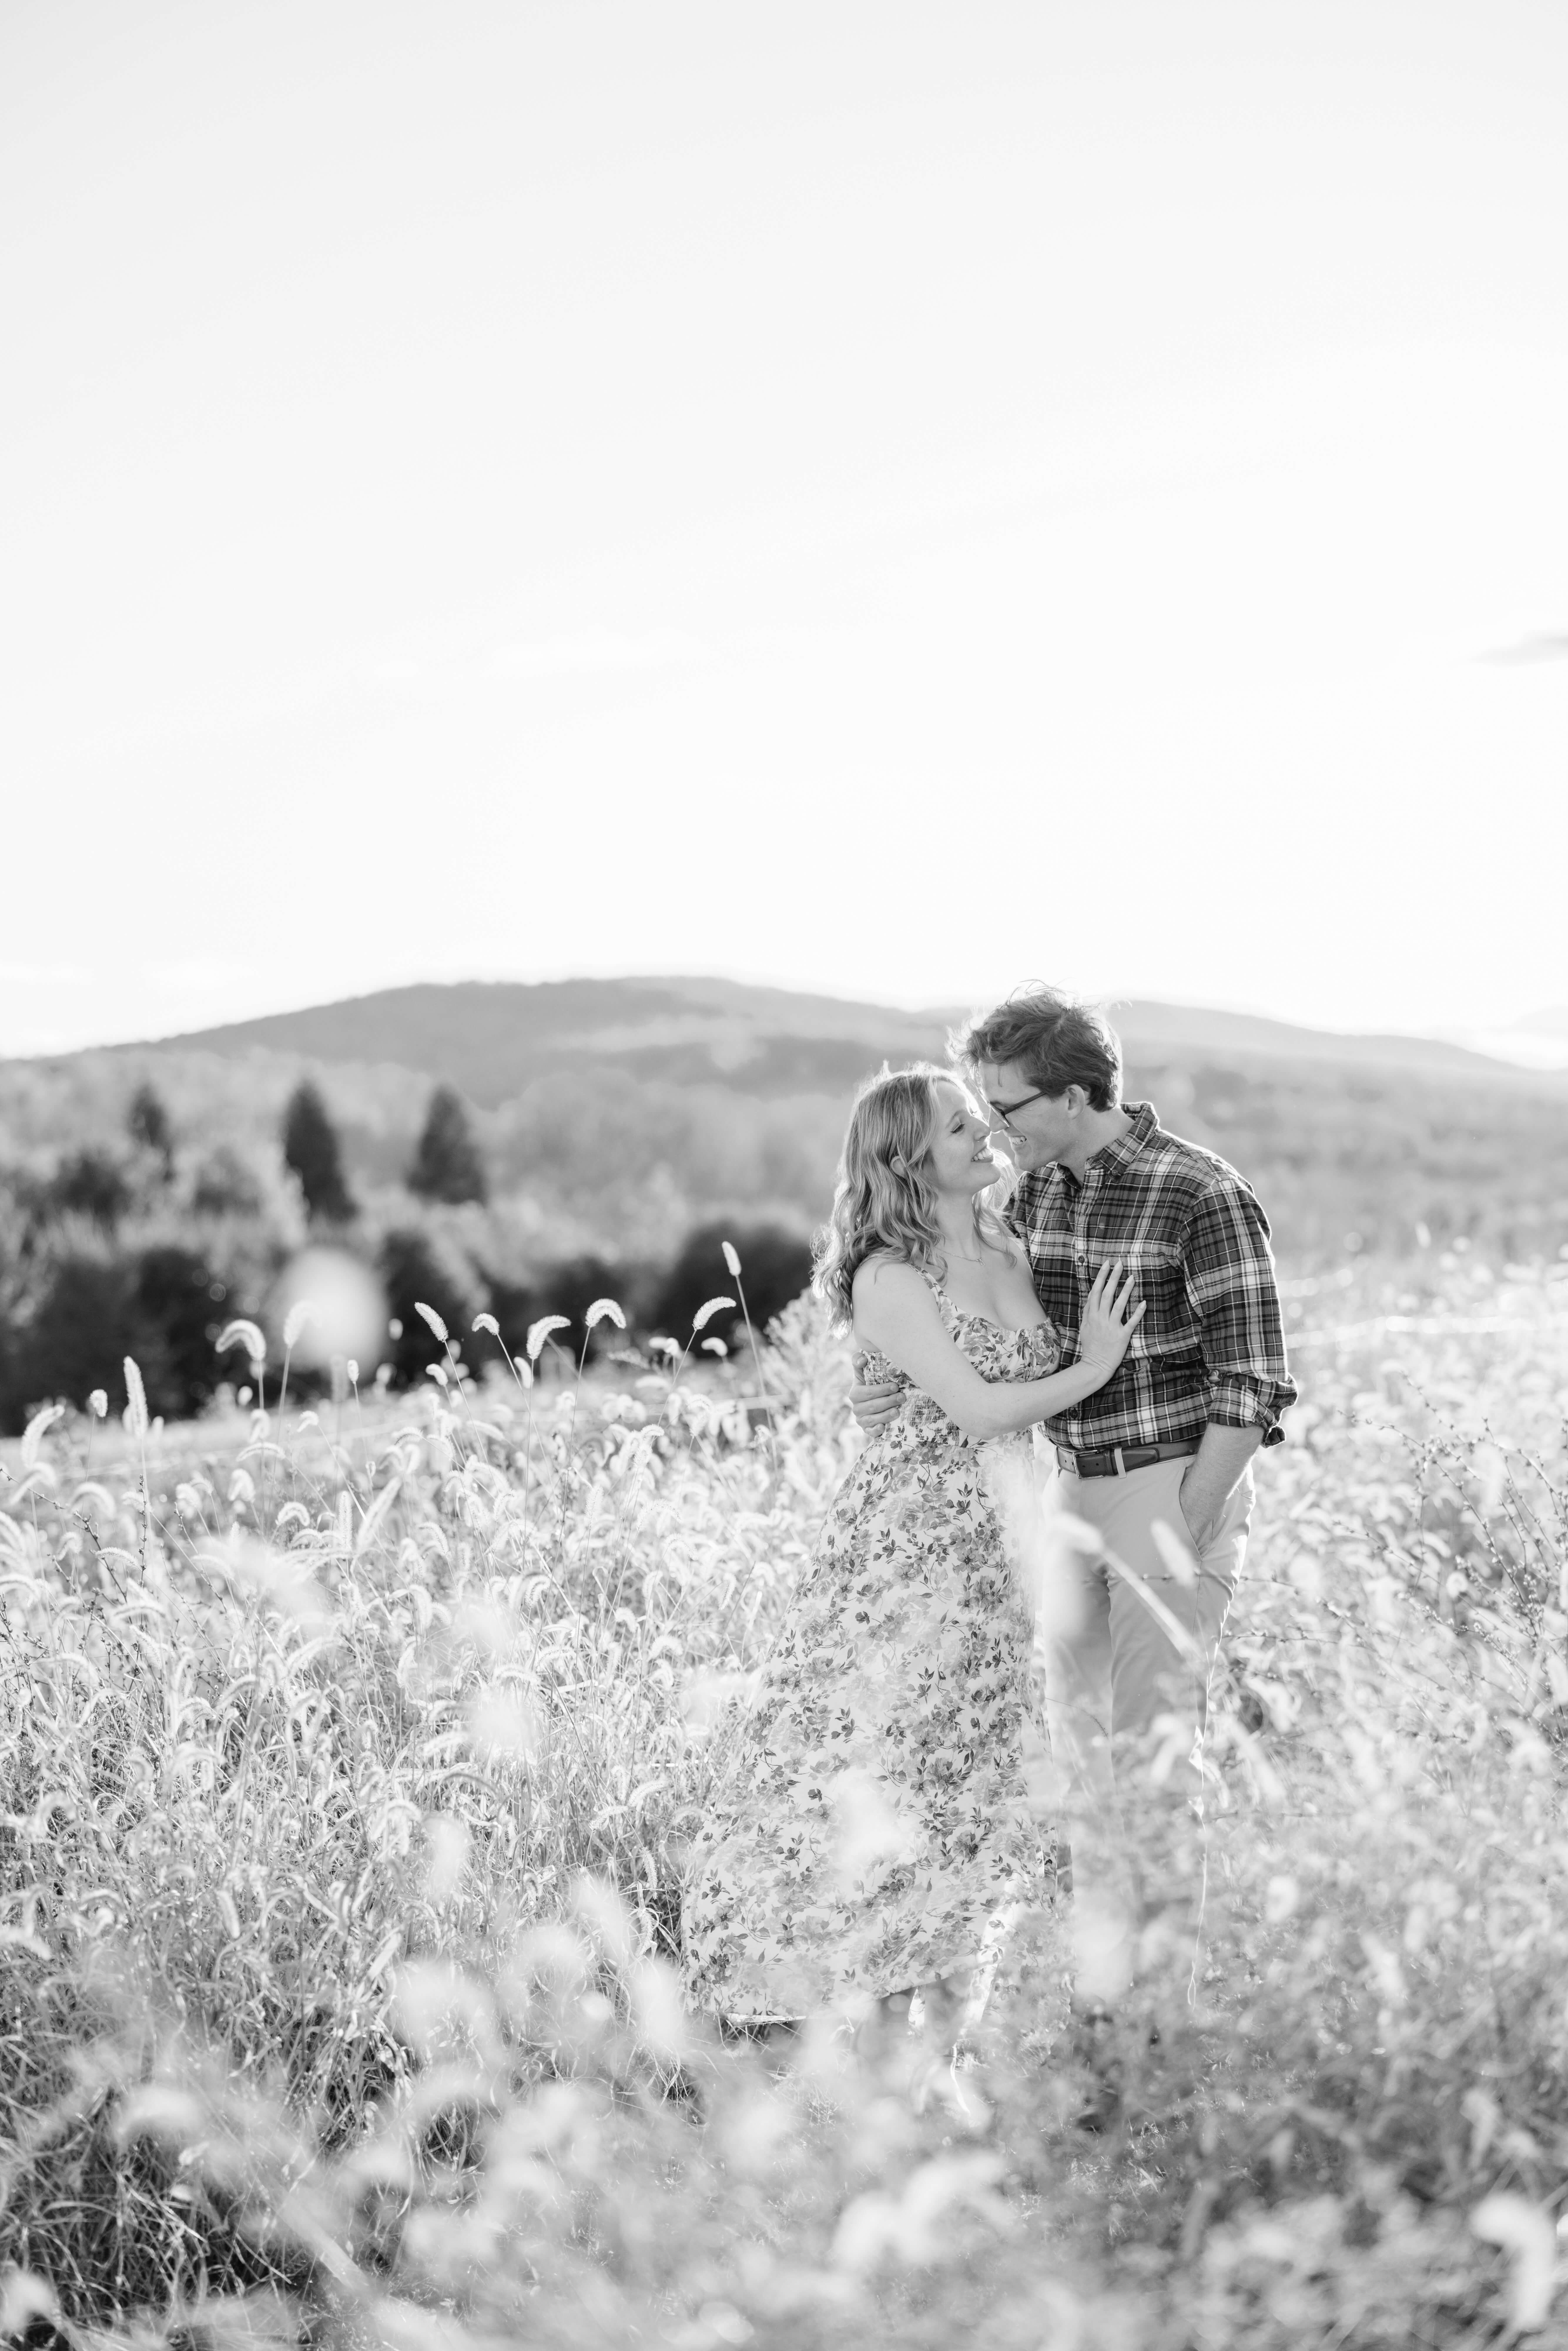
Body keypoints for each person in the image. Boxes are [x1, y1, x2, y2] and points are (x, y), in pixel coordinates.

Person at [681, 1062, 1145, 2102]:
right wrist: (1098, 1364)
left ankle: (935, 2055)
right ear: (905, 1159)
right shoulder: (892, 1275)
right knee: (886, 1769)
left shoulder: (1012, 1237)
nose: (983, 1133)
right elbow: (982, 1412)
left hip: (1004, 1558)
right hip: (910, 1558)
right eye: (957, 1126)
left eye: (981, 1117)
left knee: (975, 1787)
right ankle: (833, 2030)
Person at [850, 990, 1297, 2038]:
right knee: (1083, 1772)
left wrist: (1181, 1525)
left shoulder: (1200, 1194)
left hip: (1173, 1482)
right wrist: (883, 1382)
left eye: (1008, 1107)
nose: (994, 1128)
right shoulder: (1035, 1199)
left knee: (1151, 1764)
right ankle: (1101, 2018)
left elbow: (1254, 1387)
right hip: (1066, 1493)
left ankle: (1154, 2035)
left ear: (1075, 1094)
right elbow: (963, 1314)